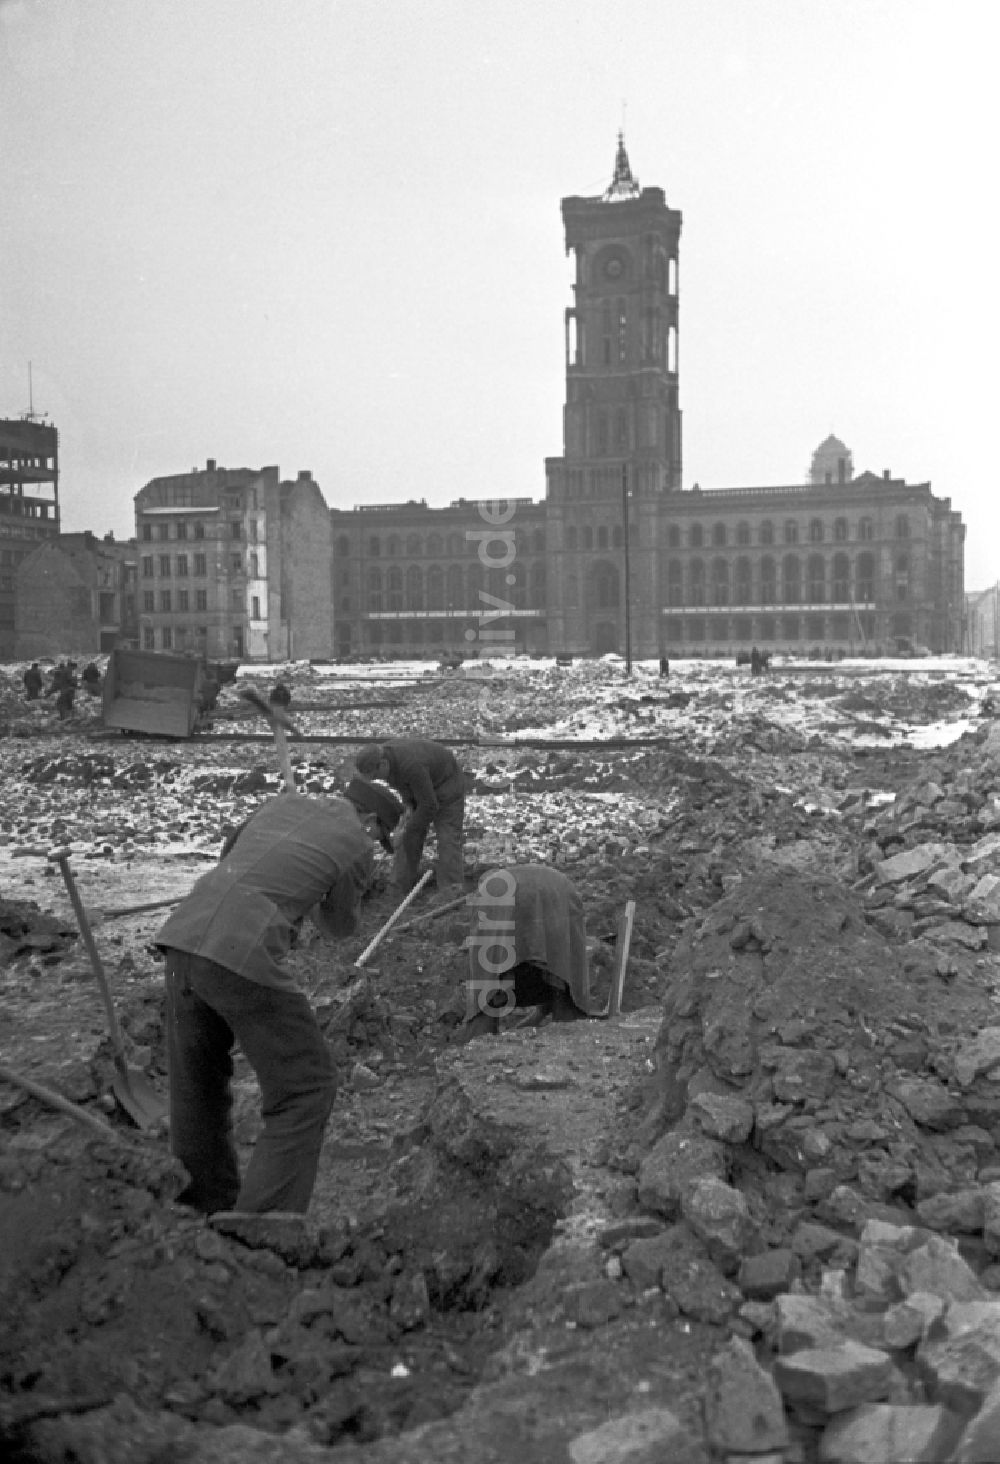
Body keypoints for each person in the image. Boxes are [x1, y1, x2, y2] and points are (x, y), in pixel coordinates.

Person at [156, 793, 376, 1216]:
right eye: (379, 831)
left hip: (181, 936)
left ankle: (203, 1203)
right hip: (240, 951)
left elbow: (230, 857)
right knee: (307, 1086)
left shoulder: (281, 804)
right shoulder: (356, 842)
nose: (374, 838)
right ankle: (263, 1223)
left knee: (196, 1084)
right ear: (368, 817)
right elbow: (340, 925)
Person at [458, 864, 598, 1041]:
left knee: (487, 983)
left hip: (498, 892)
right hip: (559, 889)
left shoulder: (491, 888)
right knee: (563, 971)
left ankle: (478, 1042)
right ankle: (570, 1028)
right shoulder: (553, 882)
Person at [354, 738, 466, 892]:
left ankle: (451, 889)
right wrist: (407, 812)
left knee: (447, 836)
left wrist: (407, 831)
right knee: (410, 834)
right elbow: (405, 787)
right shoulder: (387, 761)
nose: (379, 780)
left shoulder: (411, 765)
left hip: (447, 785)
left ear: (383, 764)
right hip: (422, 788)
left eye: (377, 776)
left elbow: (429, 805)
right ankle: (399, 886)